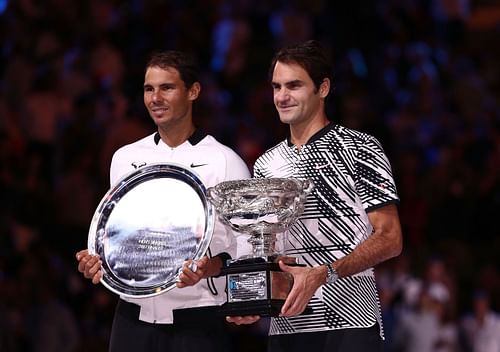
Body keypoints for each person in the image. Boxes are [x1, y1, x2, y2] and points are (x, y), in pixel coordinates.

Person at [228, 40, 403, 352]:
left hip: (351, 320)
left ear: (322, 88)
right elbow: (265, 246)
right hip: (286, 323)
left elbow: (390, 238)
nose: (282, 96)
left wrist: (324, 273)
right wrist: (251, 296)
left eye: (294, 85)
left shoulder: (359, 147)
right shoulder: (266, 164)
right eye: (276, 86)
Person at [75, 50, 250, 352]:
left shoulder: (225, 161)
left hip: (199, 318)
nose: (155, 98)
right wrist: (98, 261)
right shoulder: (125, 158)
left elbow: (246, 250)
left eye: (167, 87)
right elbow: (120, 237)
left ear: (193, 91)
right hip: (131, 318)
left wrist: (210, 269)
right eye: (148, 89)